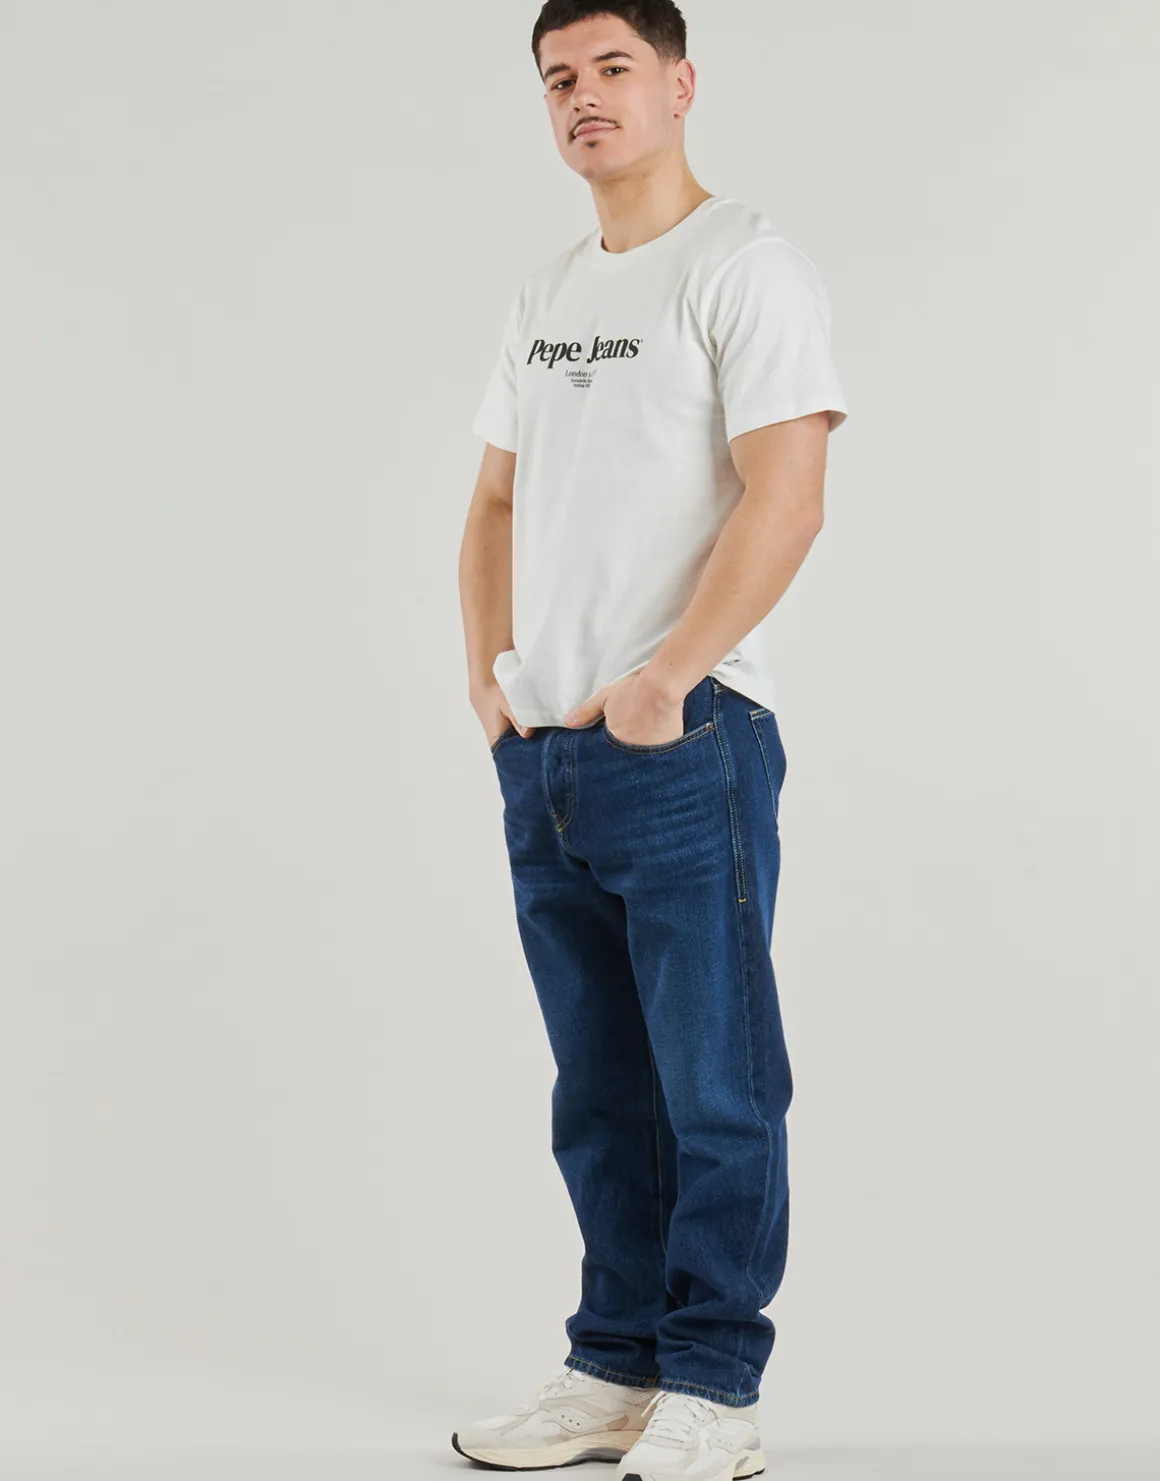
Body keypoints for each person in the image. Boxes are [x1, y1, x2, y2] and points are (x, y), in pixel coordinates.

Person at [456, 3, 848, 1476]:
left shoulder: (746, 265)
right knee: (600, 1094)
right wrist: (491, 688)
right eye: (559, 77)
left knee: (717, 1087)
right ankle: (614, 1365)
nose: (584, 95)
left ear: (681, 84)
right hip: (548, 759)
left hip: (686, 743)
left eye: (613, 67)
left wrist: (663, 681)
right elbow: (494, 503)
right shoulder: (548, 290)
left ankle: (716, 1388)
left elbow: (788, 496)